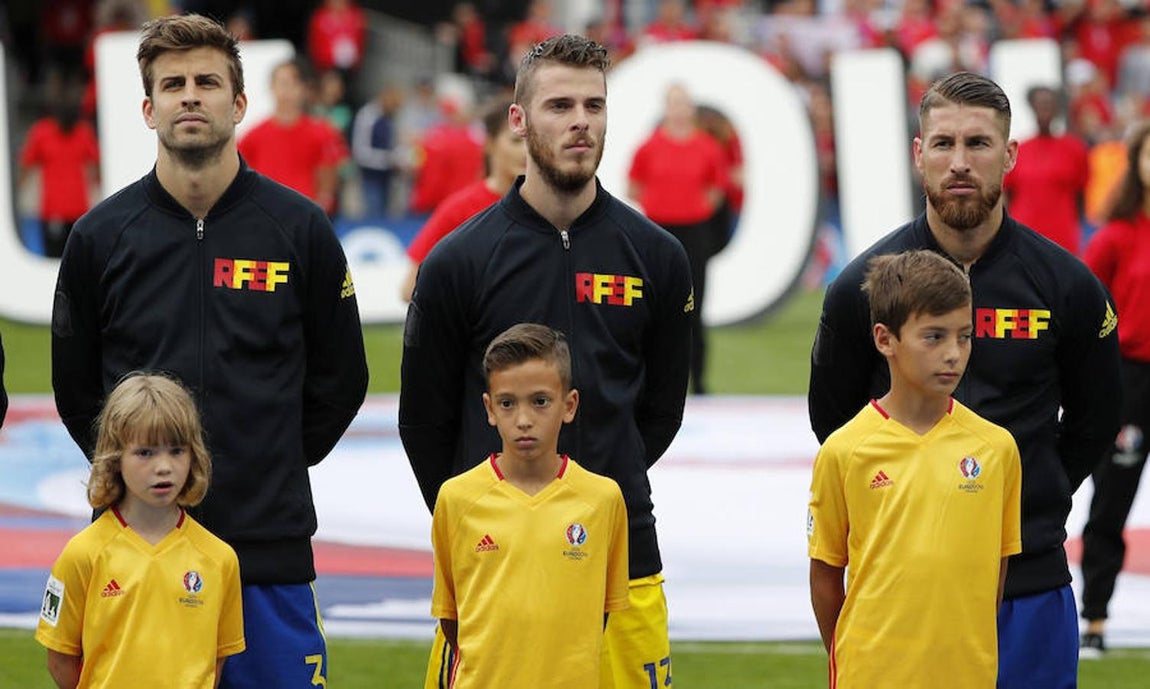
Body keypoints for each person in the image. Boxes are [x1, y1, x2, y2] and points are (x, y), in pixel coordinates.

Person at [51, 15, 369, 689]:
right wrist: (144, 485)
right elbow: (78, 390)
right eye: (173, 84)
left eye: (207, 82)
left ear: (239, 103)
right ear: (148, 107)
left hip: (268, 552)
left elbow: (342, 380)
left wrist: (268, 457)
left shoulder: (301, 229)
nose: (190, 95)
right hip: (139, 555)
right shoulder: (100, 237)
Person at [808, 71, 1121, 688]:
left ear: (1008, 156)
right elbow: (834, 422)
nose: (959, 162)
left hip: (1029, 578)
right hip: (905, 589)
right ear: (919, 153)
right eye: (944, 143)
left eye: (978, 144)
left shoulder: (1068, 286)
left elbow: (1097, 418)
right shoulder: (860, 290)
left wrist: (1034, 488)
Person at [399, 34, 692, 689]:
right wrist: (489, 518)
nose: (580, 120)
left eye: (594, 104)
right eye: (560, 104)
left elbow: (660, 410)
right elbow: (424, 422)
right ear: (518, 119)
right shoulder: (456, 261)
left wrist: (592, 495)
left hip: (624, 557)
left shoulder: (659, 256)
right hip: (496, 563)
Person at [809, 249, 1022, 687]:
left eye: (963, 336)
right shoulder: (845, 450)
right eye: (934, 337)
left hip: (968, 674)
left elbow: (995, 575)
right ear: (885, 339)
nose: (953, 354)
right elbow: (826, 575)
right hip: (870, 673)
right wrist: (855, 654)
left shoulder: (996, 449)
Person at [431, 323, 630, 688]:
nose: (523, 420)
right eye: (507, 403)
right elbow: (452, 618)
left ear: (568, 405)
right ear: (490, 409)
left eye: (540, 401)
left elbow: (599, 616)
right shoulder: (457, 498)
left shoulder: (602, 500)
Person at [35, 373, 245, 688]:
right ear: (115, 456)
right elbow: (60, 660)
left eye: (176, 451)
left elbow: (215, 662)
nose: (164, 466)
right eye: (145, 452)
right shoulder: (83, 554)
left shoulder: (220, 559)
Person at [1078, 121, 1150, 658]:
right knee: (1111, 503)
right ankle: (1095, 618)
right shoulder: (1116, 235)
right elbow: (1085, 310)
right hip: (1132, 380)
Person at [628, 83, 727, 395]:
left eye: (684, 103)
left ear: (691, 109)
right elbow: (634, 187)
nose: (679, 110)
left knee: (693, 309)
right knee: (654, 308)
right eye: (673, 103)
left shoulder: (707, 147)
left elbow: (717, 188)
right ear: (666, 108)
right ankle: (656, 382)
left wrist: (695, 207)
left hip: (694, 233)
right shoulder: (649, 147)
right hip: (658, 230)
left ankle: (698, 381)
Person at [400, 99, 525, 302]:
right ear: (490, 144)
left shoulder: (552, 207)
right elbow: (409, 288)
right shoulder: (460, 208)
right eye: (516, 141)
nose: (526, 151)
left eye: (532, 140)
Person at [238, 58, 348, 216]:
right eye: (281, 83)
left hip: (304, 215)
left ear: (304, 89)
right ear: (271, 87)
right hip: (265, 216)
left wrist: (320, 208)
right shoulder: (253, 135)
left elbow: (329, 174)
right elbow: (241, 175)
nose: (286, 91)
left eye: (293, 84)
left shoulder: (322, 133)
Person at [1003, 85, 1089, 255]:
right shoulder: (1019, 149)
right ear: (1032, 107)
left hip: (1063, 237)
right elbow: (1009, 195)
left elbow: (1081, 196)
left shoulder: (1074, 149)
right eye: (1040, 105)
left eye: (1049, 105)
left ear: (1057, 108)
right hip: (1025, 235)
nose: (1045, 110)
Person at [18, 87, 99, 258]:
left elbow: (26, 167)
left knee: (67, 261)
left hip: (71, 211)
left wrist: (21, 189)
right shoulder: (45, 133)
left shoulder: (80, 132)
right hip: (59, 212)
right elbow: (96, 168)